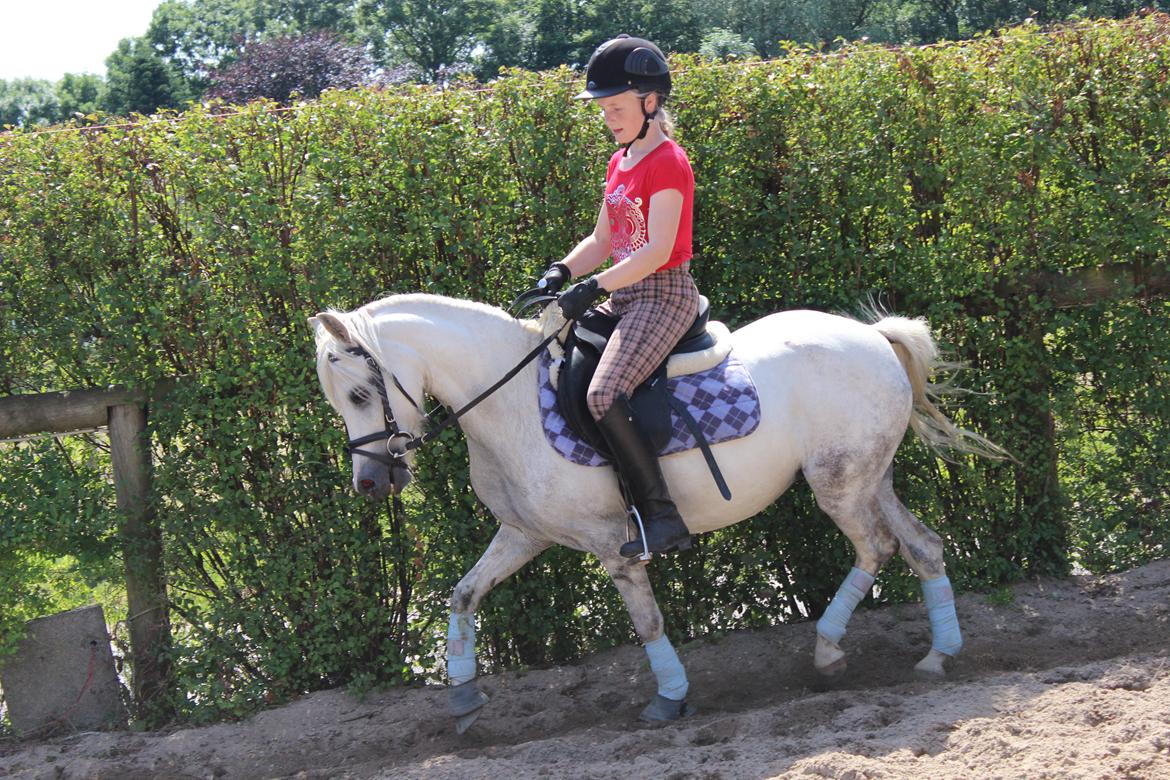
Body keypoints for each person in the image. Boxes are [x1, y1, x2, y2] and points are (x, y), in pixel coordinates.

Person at [536, 34, 702, 559]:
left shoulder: (668, 162)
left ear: (650, 102)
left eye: (617, 107)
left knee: (604, 395)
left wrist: (594, 286)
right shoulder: (621, 162)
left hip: (662, 295)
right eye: (604, 109)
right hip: (625, 294)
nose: (609, 117)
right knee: (553, 359)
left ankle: (663, 517)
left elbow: (653, 252)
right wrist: (560, 271)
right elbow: (604, 241)